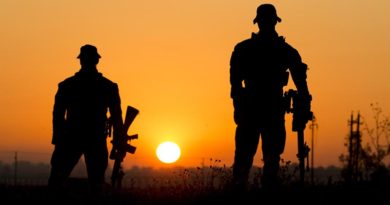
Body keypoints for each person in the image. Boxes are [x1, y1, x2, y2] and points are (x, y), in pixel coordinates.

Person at [229, 4, 311, 190]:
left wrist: (303, 104)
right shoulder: (279, 50)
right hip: (260, 111)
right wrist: (239, 108)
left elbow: (301, 83)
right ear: (275, 21)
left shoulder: (246, 49)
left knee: (266, 159)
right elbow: (235, 86)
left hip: (265, 111)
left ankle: (255, 193)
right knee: (249, 159)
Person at [48, 44, 123, 194]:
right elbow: (116, 118)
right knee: (95, 184)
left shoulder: (67, 85)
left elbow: (57, 116)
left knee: (57, 182)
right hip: (91, 138)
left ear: (81, 61)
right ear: (97, 61)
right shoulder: (108, 87)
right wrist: (119, 140)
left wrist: (58, 139)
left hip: (72, 138)